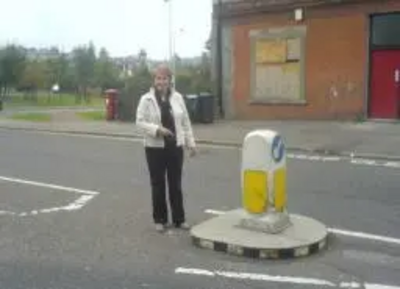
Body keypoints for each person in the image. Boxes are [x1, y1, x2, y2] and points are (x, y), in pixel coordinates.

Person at [135, 64, 197, 233]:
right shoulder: (146, 99)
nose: (161, 81)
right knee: (158, 184)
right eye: (158, 78)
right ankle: (159, 219)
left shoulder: (178, 98)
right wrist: (157, 130)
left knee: (175, 184)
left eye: (164, 78)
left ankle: (179, 219)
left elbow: (185, 122)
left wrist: (191, 144)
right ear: (154, 80)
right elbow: (139, 123)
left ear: (170, 80)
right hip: (154, 148)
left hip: (175, 147)